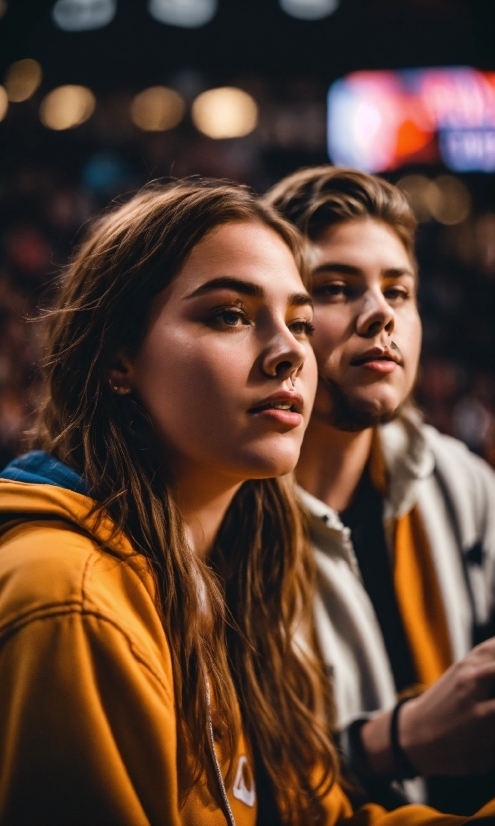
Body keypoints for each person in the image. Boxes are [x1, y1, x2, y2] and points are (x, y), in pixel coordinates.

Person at [0, 180, 494, 826]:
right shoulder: (69, 597)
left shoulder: (238, 564)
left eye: (299, 323)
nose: (291, 352)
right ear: (118, 358)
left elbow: (315, 817)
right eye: (230, 314)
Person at [265, 167, 495, 815]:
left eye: (399, 292)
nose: (379, 315)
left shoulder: (462, 483)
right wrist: (395, 741)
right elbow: (221, 786)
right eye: (336, 289)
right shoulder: (217, 517)